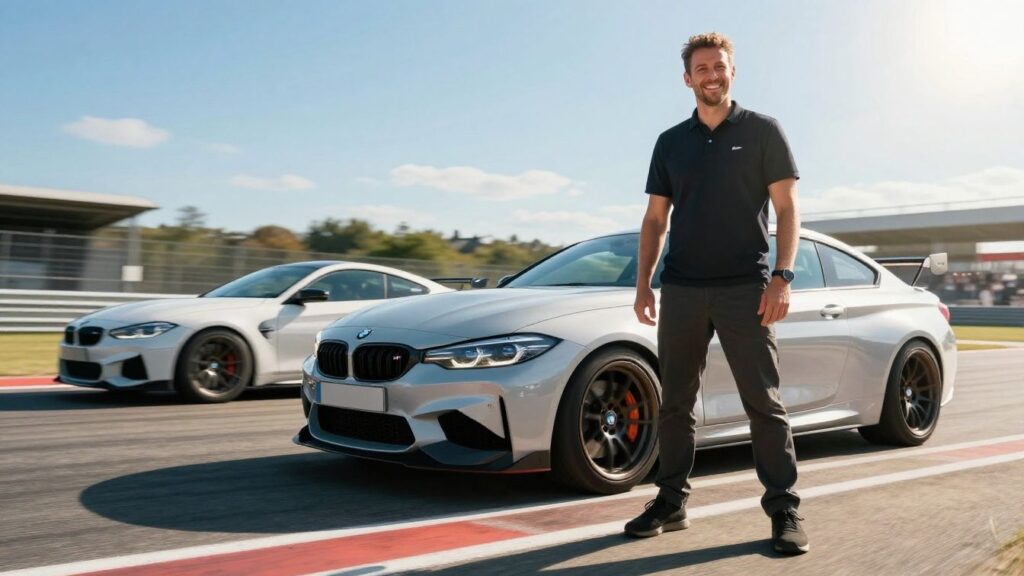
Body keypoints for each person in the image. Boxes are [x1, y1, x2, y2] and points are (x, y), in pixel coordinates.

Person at [625, 32, 808, 555]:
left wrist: (782, 276)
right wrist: (644, 282)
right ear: (688, 79)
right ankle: (670, 501)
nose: (712, 75)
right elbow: (655, 219)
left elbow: (787, 208)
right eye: (702, 68)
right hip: (682, 287)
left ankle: (784, 508)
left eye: (719, 66)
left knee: (763, 403)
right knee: (675, 404)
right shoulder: (670, 142)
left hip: (745, 288)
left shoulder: (763, 131)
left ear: (732, 72)